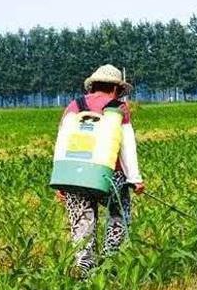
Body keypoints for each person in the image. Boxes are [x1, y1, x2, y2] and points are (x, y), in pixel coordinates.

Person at [56, 64, 144, 275]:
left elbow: (62, 141)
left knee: (82, 222)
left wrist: (60, 182)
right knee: (118, 215)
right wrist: (135, 178)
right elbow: (127, 145)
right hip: (108, 175)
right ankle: (109, 261)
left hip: (74, 175)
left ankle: (84, 268)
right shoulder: (118, 108)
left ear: (92, 86)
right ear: (116, 89)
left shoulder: (73, 106)